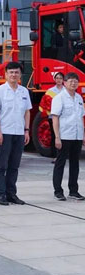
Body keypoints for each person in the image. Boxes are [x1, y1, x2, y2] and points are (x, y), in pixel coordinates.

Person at [0, 61, 32, 206]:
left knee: (14, 166)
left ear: (20, 74)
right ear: (6, 74)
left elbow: (27, 112)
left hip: (19, 133)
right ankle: (0, 194)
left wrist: (26, 131)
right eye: (11, 72)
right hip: (4, 132)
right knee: (1, 166)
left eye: (16, 72)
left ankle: (11, 193)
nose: (14, 75)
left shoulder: (24, 91)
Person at [50, 72, 85, 201]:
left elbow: (81, 118)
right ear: (64, 82)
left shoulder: (79, 98)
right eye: (70, 81)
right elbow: (55, 118)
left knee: (75, 164)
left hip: (76, 135)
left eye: (75, 81)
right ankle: (58, 191)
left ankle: (73, 191)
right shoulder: (59, 98)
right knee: (60, 163)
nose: (73, 83)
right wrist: (57, 137)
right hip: (64, 135)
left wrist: (83, 135)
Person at [39, 72, 64, 161]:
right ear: (54, 79)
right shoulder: (50, 91)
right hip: (52, 117)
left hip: (64, 118)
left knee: (64, 137)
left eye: (60, 78)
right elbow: (44, 104)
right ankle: (55, 156)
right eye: (57, 78)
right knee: (54, 136)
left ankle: (62, 156)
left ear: (63, 80)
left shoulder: (66, 91)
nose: (59, 80)